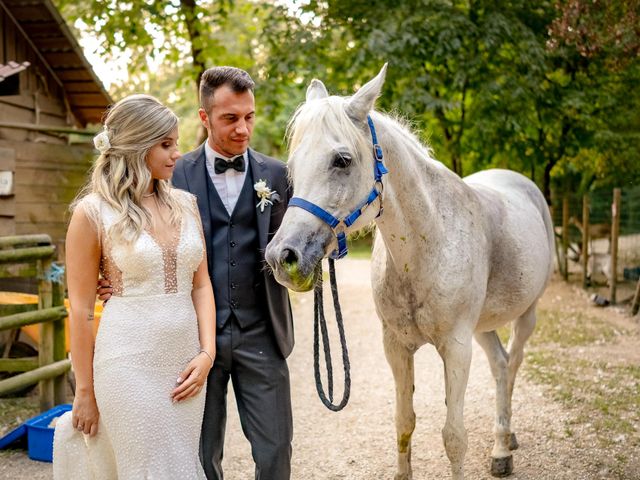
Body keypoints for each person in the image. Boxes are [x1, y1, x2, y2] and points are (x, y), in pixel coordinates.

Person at [53, 94, 216, 479]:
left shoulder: (187, 204)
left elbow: (201, 285)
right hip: (126, 363)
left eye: (175, 142)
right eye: (165, 144)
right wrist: (84, 392)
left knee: (180, 464)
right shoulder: (92, 213)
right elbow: (78, 309)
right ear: (136, 146)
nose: (177, 153)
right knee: (147, 469)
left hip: (185, 363)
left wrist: (207, 353)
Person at [171, 66, 294, 480]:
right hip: (192, 337)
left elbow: (302, 242)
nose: (243, 129)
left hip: (263, 331)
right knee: (201, 455)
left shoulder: (278, 176)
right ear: (204, 117)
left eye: (249, 116)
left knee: (276, 451)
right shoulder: (172, 175)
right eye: (230, 118)